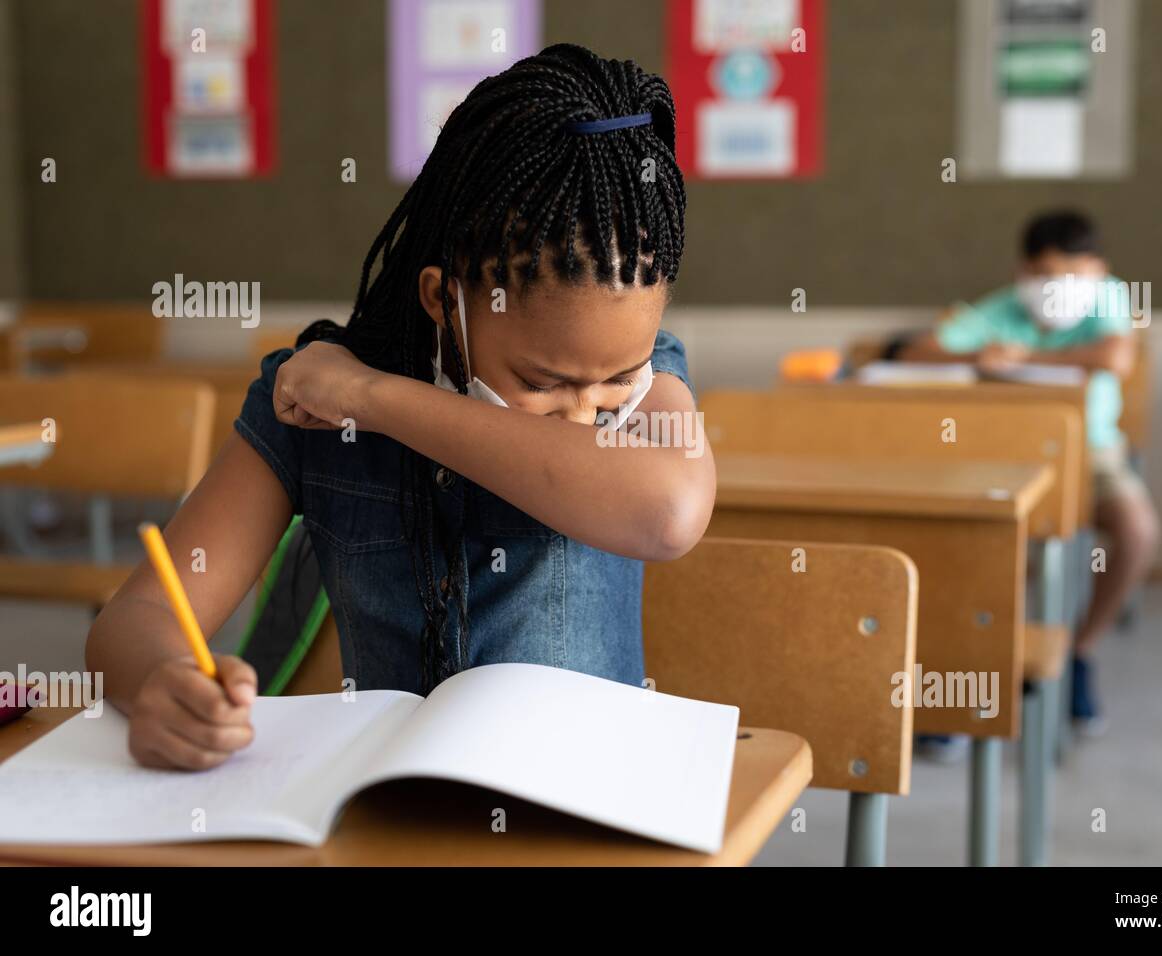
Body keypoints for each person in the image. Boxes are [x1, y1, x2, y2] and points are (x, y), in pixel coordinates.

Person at [86, 44, 715, 770]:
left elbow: (667, 514)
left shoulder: (651, 388)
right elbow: (139, 616)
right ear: (442, 299)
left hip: (577, 810)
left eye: (615, 380)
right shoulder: (310, 409)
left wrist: (375, 399)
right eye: (543, 384)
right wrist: (160, 683)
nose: (585, 415)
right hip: (385, 814)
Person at [903, 210, 1160, 736]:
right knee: (982, 549)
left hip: (1093, 454)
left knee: (1139, 531)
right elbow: (917, 350)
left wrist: (1026, 355)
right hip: (1006, 459)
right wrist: (982, 353)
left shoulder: (1111, 296)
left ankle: (1076, 654)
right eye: (1045, 274)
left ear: (1096, 268)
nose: (1058, 286)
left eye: (1072, 273)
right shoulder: (1001, 308)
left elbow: (1117, 358)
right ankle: (970, 680)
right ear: (1025, 271)